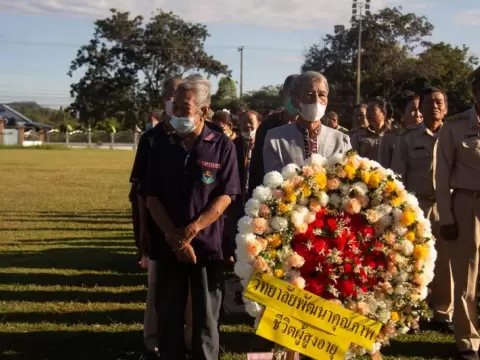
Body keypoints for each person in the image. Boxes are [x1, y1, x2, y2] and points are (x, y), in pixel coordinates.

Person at [146, 75, 240, 360]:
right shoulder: (160, 142)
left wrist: (193, 229)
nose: (177, 114)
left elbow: (226, 195)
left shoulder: (223, 145)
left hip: (207, 248)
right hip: (168, 247)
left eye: (184, 108)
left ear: (204, 111)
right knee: (169, 316)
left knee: (206, 319)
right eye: (174, 107)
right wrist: (175, 239)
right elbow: (151, 196)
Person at [129, 79, 184, 360]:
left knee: (188, 293)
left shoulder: (202, 134)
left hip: (189, 229)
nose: (176, 100)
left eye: (181, 94)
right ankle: (153, 342)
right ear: (164, 98)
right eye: (171, 95)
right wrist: (142, 231)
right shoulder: (151, 138)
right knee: (157, 288)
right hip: (157, 225)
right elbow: (139, 190)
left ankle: (186, 342)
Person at [391, 88, 453, 334]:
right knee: (414, 261)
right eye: (429, 103)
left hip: (447, 205)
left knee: (446, 262)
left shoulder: (453, 135)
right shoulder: (407, 138)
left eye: (439, 102)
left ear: (446, 108)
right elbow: (397, 176)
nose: (434, 107)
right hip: (417, 207)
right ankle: (412, 314)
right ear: (421, 107)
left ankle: (442, 313)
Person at [435, 67, 480, 360]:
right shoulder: (455, 125)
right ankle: (468, 341)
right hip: (468, 203)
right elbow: (441, 174)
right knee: (466, 276)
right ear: (475, 90)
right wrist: (447, 218)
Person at [263, 71, 351, 171]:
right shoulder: (275, 140)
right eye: (309, 94)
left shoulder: (341, 140)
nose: (316, 100)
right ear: (295, 101)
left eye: (322, 95)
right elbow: (273, 182)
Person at [248, 74, 299, 195]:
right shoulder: (268, 127)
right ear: (282, 95)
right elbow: (257, 167)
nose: (295, 99)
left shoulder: (312, 126)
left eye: (299, 94)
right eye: (291, 93)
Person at [378, 91, 422, 169]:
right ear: (402, 114)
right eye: (413, 110)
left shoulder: (429, 136)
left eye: (421, 110)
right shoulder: (389, 138)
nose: (418, 115)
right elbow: (383, 169)